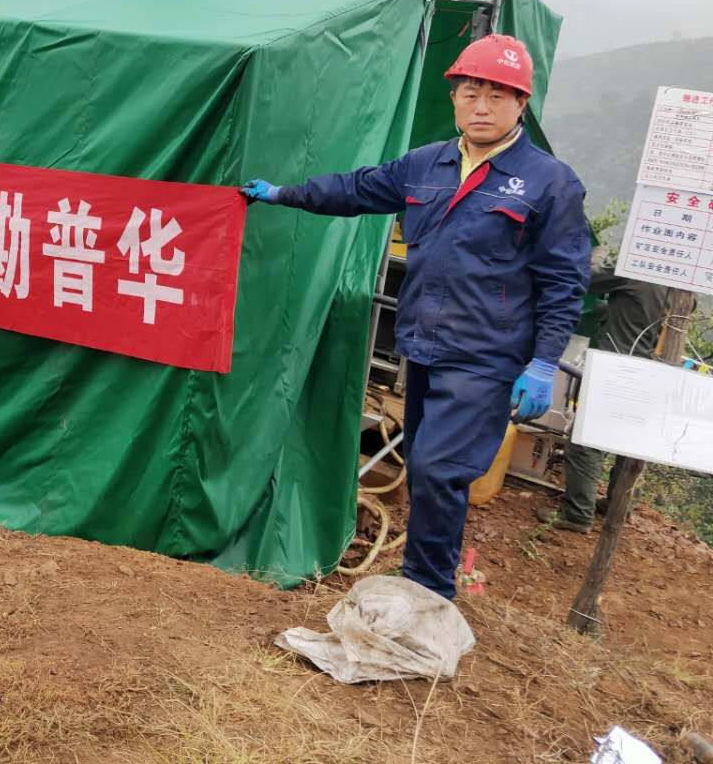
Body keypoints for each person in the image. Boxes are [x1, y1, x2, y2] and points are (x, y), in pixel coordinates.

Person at [239, 34, 590, 599]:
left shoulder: (550, 182)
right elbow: (357, 190)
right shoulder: (429, 164)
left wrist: (545, 361)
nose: (481, 107)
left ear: (521, 103)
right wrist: (285, 194)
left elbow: (564, 280)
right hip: (423, 344)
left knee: (439, 469)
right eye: (470, 93)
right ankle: (423, 582)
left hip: (487, 355)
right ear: (455, 97)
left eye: (497, 96)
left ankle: (428, 592)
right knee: (427, 466)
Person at [537, 267, 669, 532]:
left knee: (585, 441)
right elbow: (641, 310)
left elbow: (583, 279)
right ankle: (618, 506)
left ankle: (577, 515)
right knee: (629, 445)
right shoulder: (679, 284)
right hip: (655, 372)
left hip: (618, 368)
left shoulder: (638, 267)